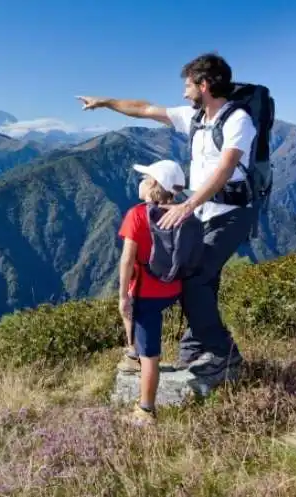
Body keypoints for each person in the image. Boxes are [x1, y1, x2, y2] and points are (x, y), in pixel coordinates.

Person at [77, 52, 256, 377]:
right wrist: (106, 102)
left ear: (204, 85)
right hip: (202, 213)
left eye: (188, 85)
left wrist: (187, 204)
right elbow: (145, 109)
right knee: (198, 277)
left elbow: (227, 166)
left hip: (230, 214)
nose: (184, 92)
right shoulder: (196, 117)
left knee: (196, 279)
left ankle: (223, 352)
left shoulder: (238, 120)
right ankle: (194, 349)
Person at [117, 159, 185, 425]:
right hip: (174, 287)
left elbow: (126, 259)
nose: (141, 181)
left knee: (151, 354)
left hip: (146, 293)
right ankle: (134, 353)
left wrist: (123, 296)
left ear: (154, 184)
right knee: (134, 316)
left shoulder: (137, 214)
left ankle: (146, 410)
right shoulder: (181, 211)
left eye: (145, 177)